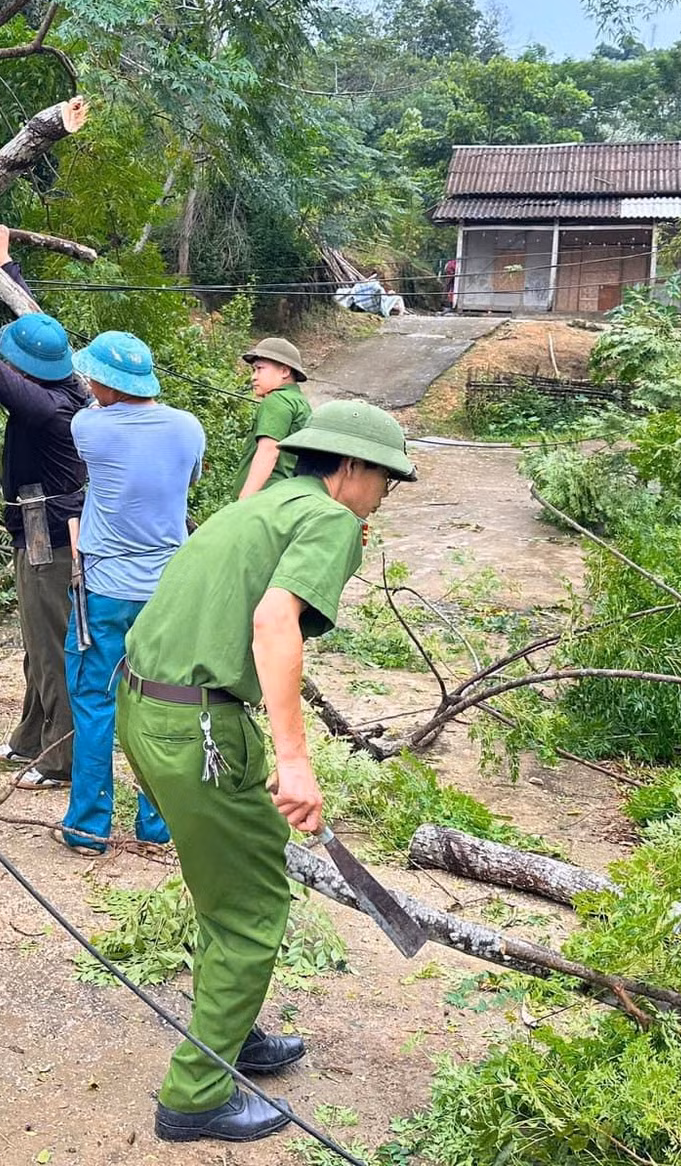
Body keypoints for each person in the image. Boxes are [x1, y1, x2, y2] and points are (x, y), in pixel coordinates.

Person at [118, 401, 415, 1143]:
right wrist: (294, 760)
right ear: (351, 467)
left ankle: (234, 1030)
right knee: (252, 909)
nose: (386, 495)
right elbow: (274, 620)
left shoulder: (263, 503)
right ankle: (195, 1098)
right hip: (201, 728)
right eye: (387, 480)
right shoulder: (330, 519)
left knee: (226, 887)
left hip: (144, 705)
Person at [56, 330, 203, 855]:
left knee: (95, 700)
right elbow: (185, 484)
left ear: (110, 385)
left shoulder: (89, 427)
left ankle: (89, 825)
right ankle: (157, 824)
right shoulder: (189, 427)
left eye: (96, 377)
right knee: (162, 704)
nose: (90, 384)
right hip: (168, 591)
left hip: (106, 591)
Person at [0, 306, 89, 791]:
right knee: (36, 644)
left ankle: (60, 756)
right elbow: (34, 322)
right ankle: (32, 735)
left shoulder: (47, 407)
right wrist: (7, 266)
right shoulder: (65, 386)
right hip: (38, 531)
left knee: (52, 648)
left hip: (50, 539)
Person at [233, 337, 310, 501]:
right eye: (253, 370)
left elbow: (268, 451)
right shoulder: (299, 402)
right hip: (284, 498)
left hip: (262, 501)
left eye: (260, 369)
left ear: (284, 371)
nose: (253, 377)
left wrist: (243, 502)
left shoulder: (276, 401)